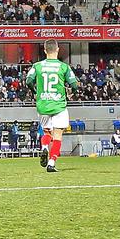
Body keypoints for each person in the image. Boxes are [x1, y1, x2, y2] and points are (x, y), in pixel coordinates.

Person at [25, 40, 78, 172]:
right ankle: (51, 162)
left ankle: (44, 147)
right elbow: (74, 84)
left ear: (44, 50)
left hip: (42, 104)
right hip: (59, 104)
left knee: (47, 132)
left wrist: (35, 92)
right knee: (58, 134)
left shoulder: (37, 66)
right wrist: (72, 93)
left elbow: (28, 81)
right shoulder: (64, 67)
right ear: (58, 50)